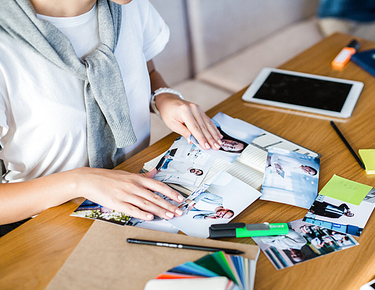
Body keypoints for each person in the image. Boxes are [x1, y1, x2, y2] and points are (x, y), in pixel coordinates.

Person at [0, 0, 224, 234]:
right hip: (44, 227)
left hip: (139, 200)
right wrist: (80, 181)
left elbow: (148, 71)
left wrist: (164, 98)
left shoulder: (129, 6)